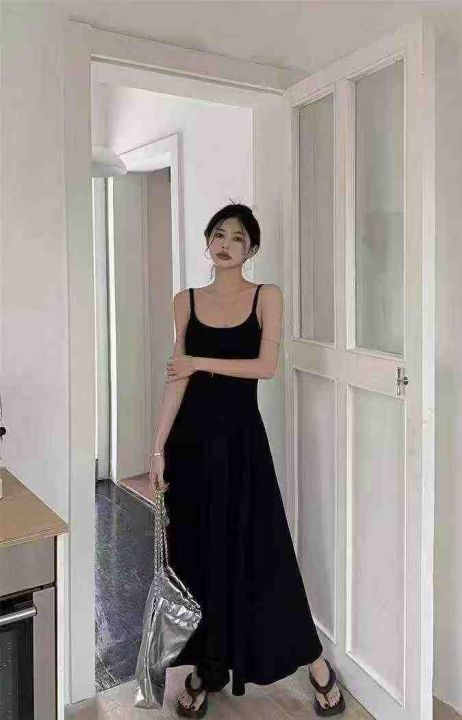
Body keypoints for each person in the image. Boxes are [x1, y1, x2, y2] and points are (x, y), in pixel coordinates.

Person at [149, 203, 346, 718]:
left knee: (265, 554)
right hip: (190, 448)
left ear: (251, 248)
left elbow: (266, 366)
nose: (226, 244)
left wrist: (198, 360)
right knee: (198, 559)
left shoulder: (266, 296)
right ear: (207, 242)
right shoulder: (185, 301)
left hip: (241, 445)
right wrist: (157, 448)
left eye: (237, 237)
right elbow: (177, 378)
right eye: (218, 234)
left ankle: (315, 662)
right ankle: (205, 668)